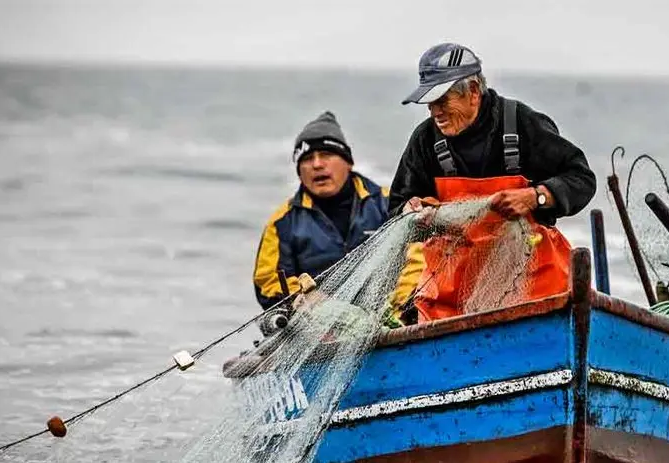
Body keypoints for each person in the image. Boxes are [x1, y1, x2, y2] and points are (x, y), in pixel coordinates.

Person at [390, 42, 597, 322]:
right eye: (429, 103)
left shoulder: (520, 123)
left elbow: (581, 178)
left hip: (535, 292)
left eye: (442, 100)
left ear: (473, 91)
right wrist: (410, 211)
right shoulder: (425, 140)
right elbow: (397, 208)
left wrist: (536, 196)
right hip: (450, 302)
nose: (435, 112)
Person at [253, 111, 422, 320]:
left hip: (392, 318)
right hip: (316, 324)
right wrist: (302, 298)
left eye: (326, 155)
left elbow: (419, 258)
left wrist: (396, 311)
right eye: (307, 158)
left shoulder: (391, 204)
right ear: (299, 171)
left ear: (348, 162)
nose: (317, 164)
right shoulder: (282, 222)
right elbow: (268, 282)